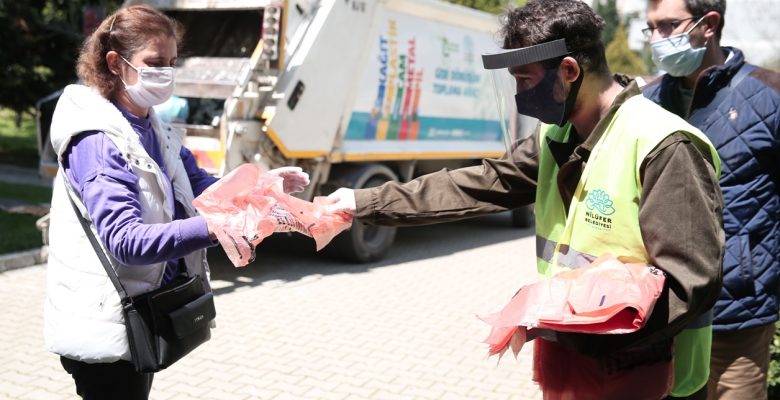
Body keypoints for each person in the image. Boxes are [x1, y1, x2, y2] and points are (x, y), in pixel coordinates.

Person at [327, 0, 724, 398]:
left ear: (568, 71)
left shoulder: (663, 145)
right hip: (575, 362)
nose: (519, 94)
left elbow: (687, 284)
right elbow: (482, 183)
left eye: (525, 78)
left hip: (649, 373)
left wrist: (563, 316)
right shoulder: (555, 136)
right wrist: (362, 203)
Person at [43, 5, 308, 399]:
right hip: (106, 324)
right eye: (154, 62)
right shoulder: (98, 142)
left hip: (142, 310)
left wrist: (261, 186)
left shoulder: (154, 127)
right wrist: (216, 226)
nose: (166, 72)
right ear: (115, 63)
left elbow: (200, 186)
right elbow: (126, 242)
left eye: (171, 62)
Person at [642, 1, 780, 398]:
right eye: (650, 28)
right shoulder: (647, 102)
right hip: (663, 311)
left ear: (709, 25)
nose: (657, 39)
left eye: (668, 26)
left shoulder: (769, 96)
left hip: (737, 312)